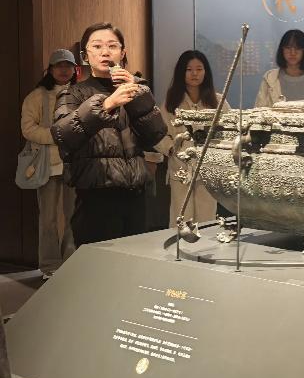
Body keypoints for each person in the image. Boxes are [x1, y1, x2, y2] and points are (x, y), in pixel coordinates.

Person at [52, 23, 167, 246]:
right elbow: (63, 135)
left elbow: (156, 135)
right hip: (95, 197)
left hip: (136, 194)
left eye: (112, 46)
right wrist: (105, 105)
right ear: (85, 56)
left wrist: (138, 94)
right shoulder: (73, 92)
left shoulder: (137, 90)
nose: (105, 52)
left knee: (134, 261)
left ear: (122, 53)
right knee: (97, 263)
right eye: (97, 46)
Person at [21, 48, 78, 278]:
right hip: (47, 164)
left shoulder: (81, 93)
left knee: (74, 216)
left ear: (75, 69)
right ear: (50, 69)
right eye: (58, 66)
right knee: (48, 218)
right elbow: (28, 129)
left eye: (68, 66)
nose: (63, 70)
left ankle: (71, 261)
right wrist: (56, 136)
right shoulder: (36, 96)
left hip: (75, 163)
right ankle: (49, 265)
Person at [156, 50, 219, 228]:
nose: (194, 74)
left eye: (199, 69)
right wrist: (171, 149)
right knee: (181, 220)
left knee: (207, 221)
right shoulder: (171, 102)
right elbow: (158, 133)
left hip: (207, 171)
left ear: (206, 72)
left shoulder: (217, 101)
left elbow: (229, 133)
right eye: (189, 69)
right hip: (181, 169)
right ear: (181, 72)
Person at [254, 29, 304, 106]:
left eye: (297, 48)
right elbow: (259, 109)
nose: (293, 53)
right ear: (282, 50)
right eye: (288, 48)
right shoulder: (270, 79)